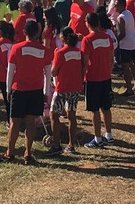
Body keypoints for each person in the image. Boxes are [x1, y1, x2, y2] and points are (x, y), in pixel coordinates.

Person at [3, 19, 52, 164]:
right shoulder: (44, 51)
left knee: (14, 123)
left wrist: (8, 89)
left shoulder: (17, 48)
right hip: (36, 90)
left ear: (24, 32)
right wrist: (46, 92)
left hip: (18, 89)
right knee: (31, 122)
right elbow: (48, 74)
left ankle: (10, 153)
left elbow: (10, 71)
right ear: (38, 33)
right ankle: (28, 153)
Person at [47, 27, 85, 155]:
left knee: (54, 115)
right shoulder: (79, 52)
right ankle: (71, 145)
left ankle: (56, 145)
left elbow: (53, 71)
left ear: (64, 37)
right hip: (75, 87)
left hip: (62, 87)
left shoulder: (60, 52)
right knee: (72, 115)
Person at [82, 11, 116, 148]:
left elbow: (85, 63)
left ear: (88, 24)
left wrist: (81, 77)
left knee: (94, 109)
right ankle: (109, 134)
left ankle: (97, 138)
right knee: (106, 107)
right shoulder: (107, 37)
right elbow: (111, 57)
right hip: (106, 77)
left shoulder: (87, 39)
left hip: (93, 78)